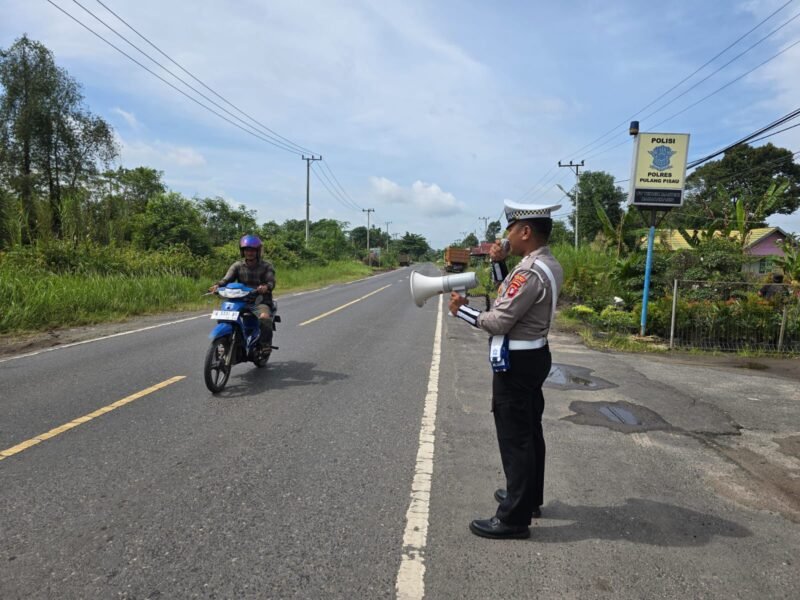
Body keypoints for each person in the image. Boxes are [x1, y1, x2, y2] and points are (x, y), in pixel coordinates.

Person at [449, 200, 563, 540]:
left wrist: (462, 311)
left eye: (511, 229)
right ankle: (529, 498)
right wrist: (499, 264)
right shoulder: (545, 264)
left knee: (515, 439)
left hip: (517, 363)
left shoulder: (528, 272)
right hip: (534, 356)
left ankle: (514, 517)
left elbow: (499, 318)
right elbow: (507, 295)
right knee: (530, 432)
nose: (507, 236)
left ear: (526, 231)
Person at [209, 234, 276, 350]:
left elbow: (271, 282)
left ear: (258, 251)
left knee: (264, 317)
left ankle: (265, 345)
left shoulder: (266, 266)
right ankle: (228, 340)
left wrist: (265, 287)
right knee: (225, 315)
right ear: (242, 251)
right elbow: (226, 279)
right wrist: (217, 286)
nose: (249, 253)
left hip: (259, 301)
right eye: (246, 250)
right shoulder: (237, 265)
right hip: (240, 300)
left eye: (252, 250)